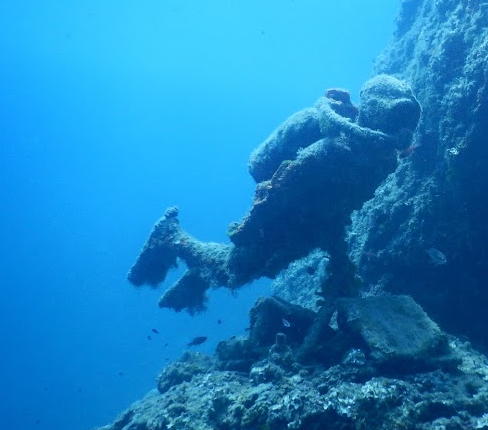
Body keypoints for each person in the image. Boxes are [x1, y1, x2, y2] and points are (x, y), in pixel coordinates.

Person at [128, 74, 421, 313]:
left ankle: (340, 296)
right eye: (398, 114)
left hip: (322, 220)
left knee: (326, 267)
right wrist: (248, 229)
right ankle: (171, 235)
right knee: (238, 269)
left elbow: (344, 198)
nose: (405, 129)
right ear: (376, 112)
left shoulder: (381, 157)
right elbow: (280, 188)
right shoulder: (333, 151)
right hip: (289, 220)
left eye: (409, 116)